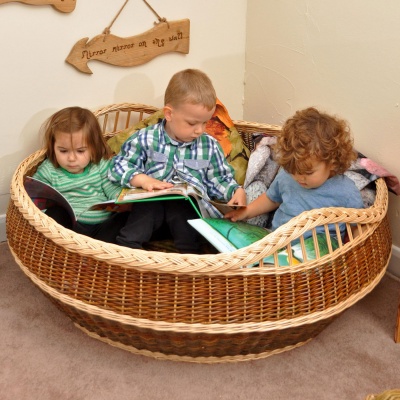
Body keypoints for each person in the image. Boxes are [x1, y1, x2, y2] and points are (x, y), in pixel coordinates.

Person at [108, 68, 246, 253]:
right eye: (192, 123)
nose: (199, 130)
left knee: (182, 205)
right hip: (150, 218)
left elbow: (219, 179)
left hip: (187, 220)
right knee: (148, 206)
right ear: (169, 114)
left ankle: (190, 257)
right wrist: (143, 180)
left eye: (205, 123)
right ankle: (126, 251)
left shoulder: (209, 146)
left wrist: (235, 191)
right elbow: (117, 166)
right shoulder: (146, 139)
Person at [225, 107, 364, 241]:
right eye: (293, 170)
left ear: (332, 163)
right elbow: (271, 199)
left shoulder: (346, 192)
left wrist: (357, 245)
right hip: (276, 245)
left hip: (317, 257)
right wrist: (246, 212)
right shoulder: (287, 176)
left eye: (308, 172)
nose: (299, 177)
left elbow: (358, 225)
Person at [33, 106, 128, 243]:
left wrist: (121, 201)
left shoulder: (100, 165)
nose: (72, 158)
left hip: (102, 226)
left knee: (124, 217)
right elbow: (36, 198)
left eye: (80, 151)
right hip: (71, 229)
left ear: (93, 148)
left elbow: (111, 188)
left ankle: (98, 250)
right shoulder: (49, 170)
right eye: (63, 151)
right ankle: (70, 249)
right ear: (53, 147)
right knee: (56, 214)